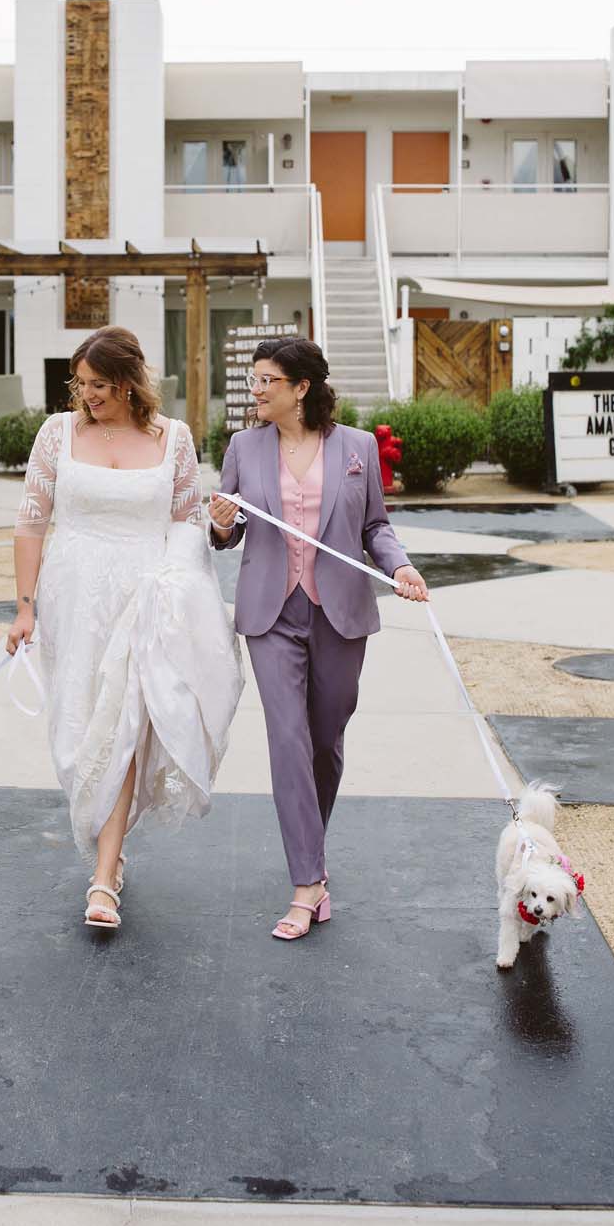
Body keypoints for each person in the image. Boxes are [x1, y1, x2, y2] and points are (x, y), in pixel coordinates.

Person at [8, 326, 242, 931]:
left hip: (145, 597)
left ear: (131, 383)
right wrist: (25, 607)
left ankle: (104, 876)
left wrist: (215, 530)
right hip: (73, 596)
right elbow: (31, 524)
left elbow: (189, 526)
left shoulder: (175, 439)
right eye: (80, 384)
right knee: (78, 729)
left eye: (100, 386)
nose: (88, 396)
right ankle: (105, 844)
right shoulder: (56, 434)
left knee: (126, 725)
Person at [208, 337, 428, 941]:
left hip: (340, 613)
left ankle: (313, 856)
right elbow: (229, 530)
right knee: (287, 738)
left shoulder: (356, 447)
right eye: (252, 380)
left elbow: (376, 526)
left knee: (325, 742)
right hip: (270, 614)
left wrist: (400, 567)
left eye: (266, 381)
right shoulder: (242, 448)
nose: (255, 391)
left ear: (301, 388)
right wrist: (221, 526)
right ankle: (306, 882)